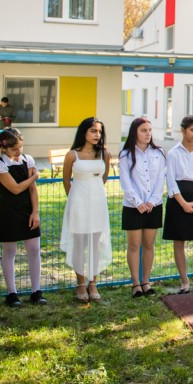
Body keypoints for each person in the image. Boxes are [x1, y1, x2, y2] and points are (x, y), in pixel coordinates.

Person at [0, 128, 45, 307]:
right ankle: (12, 293)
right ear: (4, 148)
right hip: (9, 212)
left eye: (21, 147)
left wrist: (35, 212)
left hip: (28, 210)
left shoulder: (28, 160)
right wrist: (35, 176)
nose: (19, 151)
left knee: (34, 250)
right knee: (9, 251)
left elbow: (32, 190)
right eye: (15, 149)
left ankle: (36, 291)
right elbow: (15, 188)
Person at [60, 117, 113, 303]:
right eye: (93, 131)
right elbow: (66, 180)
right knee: (79, 243)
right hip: (78, 202)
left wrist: (94, 192)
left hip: (98, 202)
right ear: (84, 132)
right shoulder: (72, 155)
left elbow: (104, 178)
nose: (97, 135)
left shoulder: (105, 154)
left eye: (99, 131)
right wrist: (75, 200)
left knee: (95, 243)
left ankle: (93, 282)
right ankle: (80, 283)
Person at [118, 117, 167, 297]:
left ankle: (146, 281)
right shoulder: (126, 155)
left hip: (153, 206)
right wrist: (137, 202)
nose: (148, 134)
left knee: (148, 244)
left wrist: (152, 201)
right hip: (133, 207)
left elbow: (160, 179)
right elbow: (125, 181)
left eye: (149, 130)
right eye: (143, 130)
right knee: (134, 245)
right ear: (135, 132)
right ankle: (136, 284)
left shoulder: (159, 153)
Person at [164, 115, 193, 293]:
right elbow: (170, 181)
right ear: (183, 130)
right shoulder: (173, 153)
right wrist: (183, 203)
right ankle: (184, 281)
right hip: (178, 200)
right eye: (192, 130)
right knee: (179, 242)